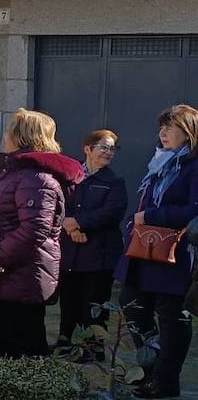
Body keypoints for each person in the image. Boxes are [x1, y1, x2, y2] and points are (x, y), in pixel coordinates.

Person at [0, 109, 83, 359]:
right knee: (7, 346)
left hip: (22, 276)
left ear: (21, 136)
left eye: (10, 130)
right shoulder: (16, 173)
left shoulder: (36, 178)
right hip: (7, 277)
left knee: (24, 350)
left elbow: (34, 229)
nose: (5, 134)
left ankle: (30, 399)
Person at [115, 105, 198, 399]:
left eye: (171, 127)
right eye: (162, 127)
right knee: (131, 304)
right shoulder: (160, 162)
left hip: (173, 254)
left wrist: (152, 215)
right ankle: (149, 368)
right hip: (144, 251)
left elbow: (193, 210)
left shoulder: (192, 165)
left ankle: (165, 379)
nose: (163, 133)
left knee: (171, 316)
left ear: (188, 132)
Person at [57, 129, 127, 356]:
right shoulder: (70, 175)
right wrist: (70, 226)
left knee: (94, 303)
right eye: (104, 147)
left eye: (112, 148)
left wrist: (78, 223)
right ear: (87, 148)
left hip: (99, 254)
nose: (109, 153)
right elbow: (59, 203)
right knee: (69, 300)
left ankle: (93, 350)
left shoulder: (114, 181)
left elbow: (112, 213)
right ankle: (65, 343)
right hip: (70, 250)